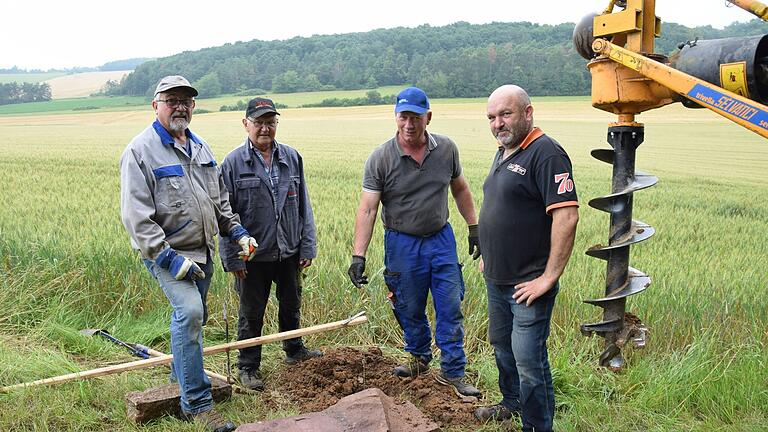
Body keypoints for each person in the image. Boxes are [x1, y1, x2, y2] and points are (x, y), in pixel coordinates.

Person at [120, 75, 258, 432]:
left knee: (195, 317)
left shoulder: (201, 148)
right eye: (171, 100)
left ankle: (176, 380)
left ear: (193, 107)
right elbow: (136, 217)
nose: (180, 106)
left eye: (186, 100)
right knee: (191, 312)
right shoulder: (140, 151)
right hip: (166, 254)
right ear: (155, 105)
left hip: (203, 251)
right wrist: (167, 258)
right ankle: (197, 404)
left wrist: (238, 232)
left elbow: (219, 200)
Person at [347, 87, 482, 398]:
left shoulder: (446, 149)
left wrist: (474, 227)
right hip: (401, 243)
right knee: (408, 306)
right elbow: (368, 208)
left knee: (450, 305)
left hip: (440, 239)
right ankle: (419, 357)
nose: (409, 124)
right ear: (396, 118)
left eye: (416, 118)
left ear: (428, 118)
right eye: (403, 117)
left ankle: (453, 371)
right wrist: (359, 255)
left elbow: (460, 189)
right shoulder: (381, 158)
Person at [474, 84, 579, 431]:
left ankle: (536, 425)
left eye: (506, 114)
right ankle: (511, 402)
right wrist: (489, 254)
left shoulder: (547, 153)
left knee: (529, 361)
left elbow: (566, 216)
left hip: (528, 283)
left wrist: (548, 278)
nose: (498, 123)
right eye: (492, 117)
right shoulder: (503, 151)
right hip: (497, 278)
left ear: (528, 113)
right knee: (502, 347)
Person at [218, 97, 321, 391]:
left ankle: (294, 350)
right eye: (259, 122)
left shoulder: (291, 157)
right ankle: (248, 367)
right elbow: (224, 212)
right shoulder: (233, 163)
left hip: (288, 249)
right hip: (251, 256)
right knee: (251, 313)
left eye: (270, 122)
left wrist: (307, 246)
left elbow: (304, 206)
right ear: (246, 124)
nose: (265, 128)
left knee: (291, 304)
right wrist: (233, 259)